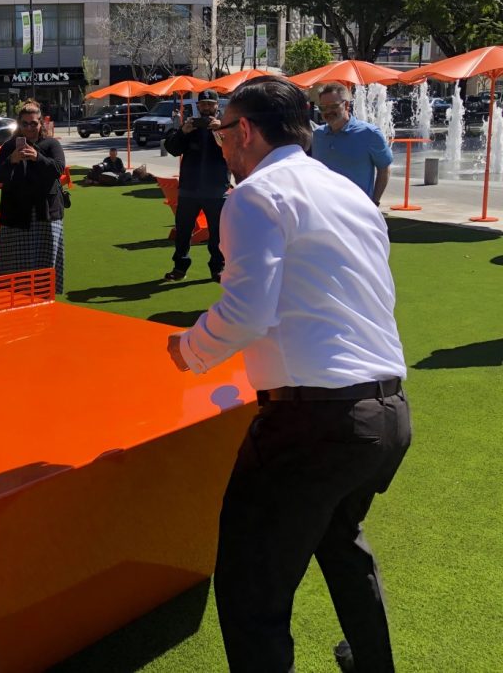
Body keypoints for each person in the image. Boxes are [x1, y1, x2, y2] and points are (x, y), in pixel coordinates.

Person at [167, 76, 411, 673]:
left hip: (314, 419)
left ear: (244, 131)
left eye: (223, 131)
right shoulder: (347, 192)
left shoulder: (256, 195)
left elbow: (247, 312)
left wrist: (191, 349)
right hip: (387, 412)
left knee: (251, 584)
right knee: (340, 542)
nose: (221, 144)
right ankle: (374, 663)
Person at [0, 100, 66, 294]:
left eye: (34, 123)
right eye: (25, 123)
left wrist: (37, 157)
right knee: (15, 271)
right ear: (19, 124)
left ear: (41, 123)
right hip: (16, 216)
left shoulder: (51, 144)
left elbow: (58, 169)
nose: (29, 128)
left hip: (46, 215)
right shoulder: (9, 147)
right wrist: (12, 160)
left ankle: (44, 304)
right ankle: (15, 304)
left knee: (44, 269)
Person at [162, 88, 230, 283]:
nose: (206, 108)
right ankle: (179, 267)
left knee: (217, 234)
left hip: (216, 189)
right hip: (189, 189)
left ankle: (218, 268)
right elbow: (172, 149)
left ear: (217, 106)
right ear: (198, 106)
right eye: (203, 104)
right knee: (183, 232)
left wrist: (222, 130)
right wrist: (183, 132)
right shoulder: (189, 126)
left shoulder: (226, 126)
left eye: (210, 104)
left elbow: (237, 149)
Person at [311, 82, 394, 205]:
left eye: (333, 106)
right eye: (323, 107)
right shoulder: (318, 135)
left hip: (358, 209)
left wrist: (374, 202)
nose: (328, 111)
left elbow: (384, 169)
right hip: (325, 208)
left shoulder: (370, 133)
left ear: (347, 105)